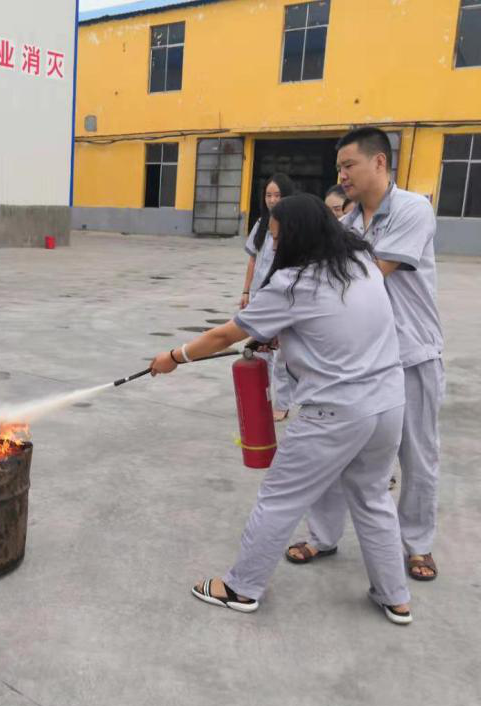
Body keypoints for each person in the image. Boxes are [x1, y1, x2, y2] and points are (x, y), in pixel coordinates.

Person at [151, 194, 412, 625]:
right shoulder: (360, 263)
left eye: (277, 238)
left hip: (335, 411)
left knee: (279, 499)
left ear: (298, 236)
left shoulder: (294, 283)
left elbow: (225, 336)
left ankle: (241, 588)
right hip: (387, 403)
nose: (273, 246)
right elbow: (336, 325)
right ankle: (395, 597)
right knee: (373, 498)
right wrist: (288, 335)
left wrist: (174, 357)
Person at [286, 127, 445, 582]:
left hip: (412, 354)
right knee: (335, 450)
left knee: (417, 454)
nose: (342, 175)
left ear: (379, 162)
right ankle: (323, 536)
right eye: (339, 167)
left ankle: (417, 545)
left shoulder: (413, 209)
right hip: (359, 359)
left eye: (348, 165)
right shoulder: (347, 224)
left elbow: (370, 274)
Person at [242, 173, 295, 420]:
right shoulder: (261, 224)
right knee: (260, 351)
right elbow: (253, 260)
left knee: (282, 354)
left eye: (277, 195)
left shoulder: (293, 227)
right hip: (259, 296)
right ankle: (260, 397)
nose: (272, 200)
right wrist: (246, 291)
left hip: (282, 297)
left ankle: (283, 403)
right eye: (268, 195)